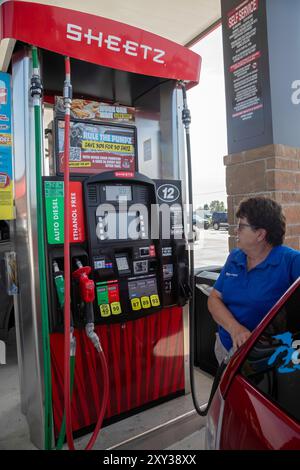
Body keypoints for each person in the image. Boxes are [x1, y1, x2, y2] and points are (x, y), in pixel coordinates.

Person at [208, 196, 300, 364]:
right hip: (225, 348)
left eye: (241, 226)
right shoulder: (235, 257)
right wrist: (235, 329)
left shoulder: (290, 262)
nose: (236, 231)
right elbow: (214, 298)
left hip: (265, 360)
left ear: (260, 234)